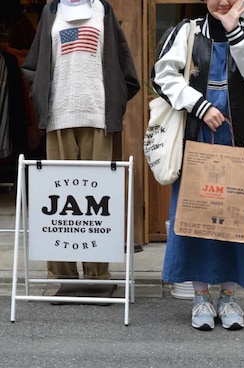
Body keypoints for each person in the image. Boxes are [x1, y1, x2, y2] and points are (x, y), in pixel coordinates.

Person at [151, 0, 244, 330]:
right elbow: (161, 75)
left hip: (239, 142)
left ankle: (229, 298)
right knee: (194, 217)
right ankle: (201, 297)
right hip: (197, 138)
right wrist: (200, 105)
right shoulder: (187, 31)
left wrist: (235, 31)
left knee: (233, 219)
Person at [22, 0, 140, 286]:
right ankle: (63, 276)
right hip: (58, 116)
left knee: (98, 202)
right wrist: (41, 99)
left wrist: (116, 100)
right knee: (58, 202)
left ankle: (97, 276)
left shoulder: (104, 10)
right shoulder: (52, 11)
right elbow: (33, 65)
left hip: (97, 114)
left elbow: (125, 66)